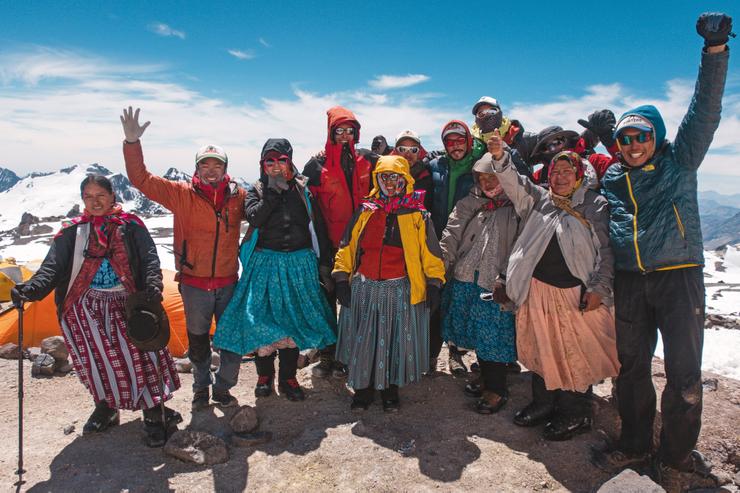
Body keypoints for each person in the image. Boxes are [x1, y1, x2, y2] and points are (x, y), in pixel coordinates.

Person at [594, 13, 731, 492]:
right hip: (631, 281)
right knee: (631, 369)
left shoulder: (681, 160)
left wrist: (714, 51)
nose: (633, 145)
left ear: (656, 136)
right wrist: (595, 139)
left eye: (641, 136)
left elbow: (705, 112)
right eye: (624, 140)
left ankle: (674, 457)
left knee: (683, 372)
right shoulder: (612, 176)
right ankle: (634, 443)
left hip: (679, 277)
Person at [11, 175, 181, 447]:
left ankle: (153, 411)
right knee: (96, 361)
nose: (95, 201)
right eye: (89, 196)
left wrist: (152, 287)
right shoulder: (72, 231)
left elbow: (149, 258)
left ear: (113, 195)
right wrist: (30, 290)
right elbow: (52, 268)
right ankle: (106, 406)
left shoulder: (131, 225)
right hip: (84, 307)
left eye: (100, 194)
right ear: (83, 200)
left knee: (142, 357)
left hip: (129, 303)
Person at [489, 133, 619, 441]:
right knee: (540, 347)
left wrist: (599, 288)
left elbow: (607, 250)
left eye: (566, 172)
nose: (559, 178)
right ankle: (543, 403)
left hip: (573, 295)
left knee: (573, 352)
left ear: (580, 174)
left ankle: (575, 412)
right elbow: (515, 183)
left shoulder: (593, 204)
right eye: (555, 172)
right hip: (537, 290)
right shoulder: (541, 200)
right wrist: (499, 157)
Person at [120, 107, 247, 411]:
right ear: (197, 168)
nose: (211, 170)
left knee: (232, 341)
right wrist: (132, 143)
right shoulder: (180, 194)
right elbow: (141, 179)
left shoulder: (238, 196)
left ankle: (224, 387)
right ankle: (201, 388)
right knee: (199, 341)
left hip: (229, 283)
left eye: (217, 165)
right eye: (205, 165)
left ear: (225, 168)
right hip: (194, 285)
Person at [213, 139, 337, 401]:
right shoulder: (256, 191)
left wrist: (324, 263)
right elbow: (256, 218)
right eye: (270, 161)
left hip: (298, 265)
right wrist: (272, 192)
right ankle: (264, 376)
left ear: (289, 161)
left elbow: (317, 225)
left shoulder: (303, 190)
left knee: (291, 325)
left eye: (281, 160)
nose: (276, 166)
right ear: (263, 164)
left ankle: (288, 378)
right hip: (265, 265)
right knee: (262, 323)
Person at [333, 155, 445, 411]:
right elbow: (347, 246)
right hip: (365, 286)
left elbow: (431, 253)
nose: (389, 182)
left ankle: (390, 390)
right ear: (377, 179)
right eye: (384, 176)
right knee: (366, 340)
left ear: (405, 179)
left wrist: (434, 282)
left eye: (395, 177)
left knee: (394, 341)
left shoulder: (418, 214)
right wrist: (341, 277)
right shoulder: (366, 210)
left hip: (399, 288)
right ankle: (363, 389)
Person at [440, 153, 520, 414]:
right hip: (466, 275)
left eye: (493, 177)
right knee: (476, 329)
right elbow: (452, 233)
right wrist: (441, 264)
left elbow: (522, 247)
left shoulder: (518, 206)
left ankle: (497, 389)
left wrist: (507, 278)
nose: (487, 183)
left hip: (495, 282)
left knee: (494, 333)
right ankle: (486, 377)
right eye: (483, 178)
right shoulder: (470, 202)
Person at [303, 106, 376, 378]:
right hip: (330, 247)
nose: (345, 136)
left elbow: (397, 172)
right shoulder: (316, 166)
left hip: (363, 246)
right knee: (327, 300)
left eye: (350, 131)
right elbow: (306, 206)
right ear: (331, 133)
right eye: (339, 131)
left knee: (355, 301)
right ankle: (328, 355)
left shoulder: (368, 160)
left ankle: (352, 352)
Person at [428, 120, 486, 375]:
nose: (455, 146)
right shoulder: (435, 166)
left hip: (468, 243)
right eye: (449, 142)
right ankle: (429, 356)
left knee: (459, 301)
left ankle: (455, 354)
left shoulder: (479, 164)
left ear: (468, 141)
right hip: (437, 240)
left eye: (460, 140)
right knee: (435, 301)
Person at [471, 96, 537, 172]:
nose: (487, 116)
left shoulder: (524, 139)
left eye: (492, 111)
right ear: (476, 119)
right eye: (481, 113)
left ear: (500, 114)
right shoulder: (474, 147)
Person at [392, 130, 434, 211]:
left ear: (419, 152)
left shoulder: (427, 177)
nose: (408, 154)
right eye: (402, 149)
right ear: (396, 151)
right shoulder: (384, 176)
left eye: (413, 149)